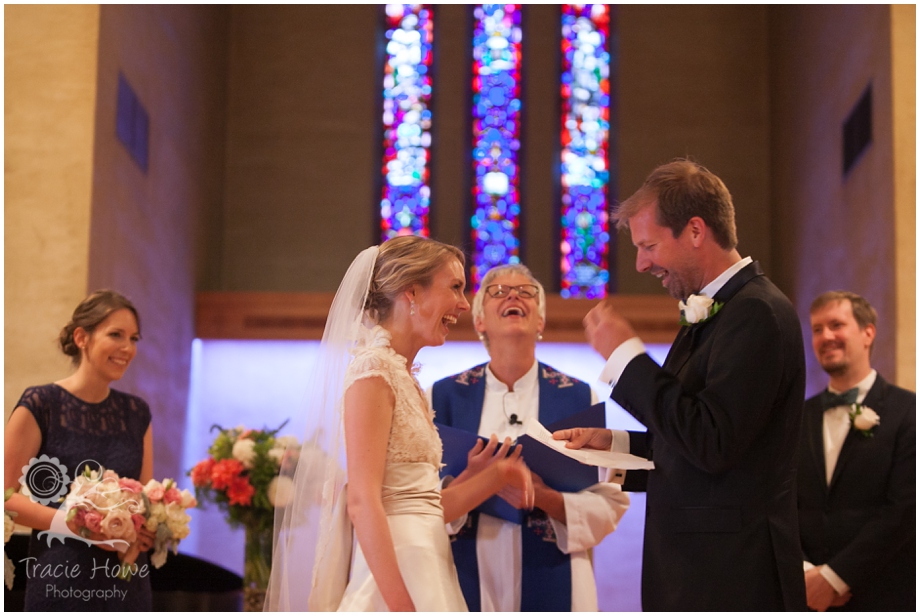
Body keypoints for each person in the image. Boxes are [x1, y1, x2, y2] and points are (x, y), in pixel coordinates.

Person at [554, 159, 808, 611]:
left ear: (694, 230)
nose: (641, 262)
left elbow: (712, 442)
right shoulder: (717, 311)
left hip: (732, 577)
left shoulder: (756, 313)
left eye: (649, 245)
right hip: (700, 572)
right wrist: (612, 445)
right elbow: (690, 433)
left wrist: (626, 357)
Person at [265, 236, 534, 612]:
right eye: (455, 287)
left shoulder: (406, 379)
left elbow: (424, 507)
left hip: (428, 567)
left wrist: (497, 475)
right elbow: (362, 502)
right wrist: (401, 606)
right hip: (394, 579)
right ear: (412, 293)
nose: (461, 303)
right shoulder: (373, 372)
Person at [429, 263, 630, 611]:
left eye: (526, 292)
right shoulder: (441, 397)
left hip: (555, 574)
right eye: (498, 291)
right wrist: (472, 481)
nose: (513, 295)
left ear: (540, 321)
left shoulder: (580, 397)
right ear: (479, 321)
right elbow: (416, 503)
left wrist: (544, 496)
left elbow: (608, 503)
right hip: (465, 569)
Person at [4, 290, 156, 611]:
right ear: (81, 338)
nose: (128, 348)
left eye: (134, 338)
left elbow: (143, 498)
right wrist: (77, 527)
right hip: (60, 580)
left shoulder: (137, 413)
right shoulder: (41, 404)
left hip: (126, 586)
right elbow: (4, 496)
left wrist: (151, 529)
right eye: (116, 335)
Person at [797, 291, 915, 611]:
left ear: (868, 333)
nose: (826, 337)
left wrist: (834, 578)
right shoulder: (796, 419)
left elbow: (905, 509)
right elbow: (779, 503)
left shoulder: (909, 412)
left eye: (836, 325)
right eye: (817, 329)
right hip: (806, 596)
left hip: (884, 594)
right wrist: (807, 574)